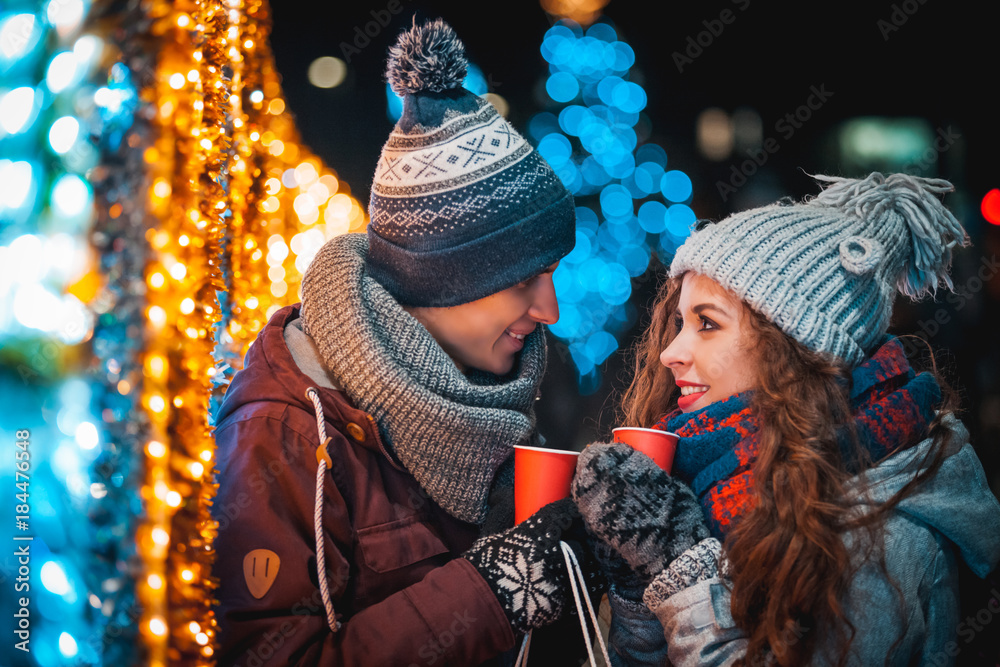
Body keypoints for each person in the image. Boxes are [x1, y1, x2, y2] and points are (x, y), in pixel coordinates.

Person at [211, 19, 602, 666]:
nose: (550, 310)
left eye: (553, 274)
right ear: (439, 282)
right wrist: (496, 588)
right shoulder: (287, 431)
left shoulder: (491, 394)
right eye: (523, 280)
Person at [571, 173, 1000, 665]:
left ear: (794, 345)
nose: (670, 353)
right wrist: (635, 589)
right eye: (678, 323)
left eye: (707, 324)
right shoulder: (717, 472)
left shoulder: (881, 527)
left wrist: (682, 573)